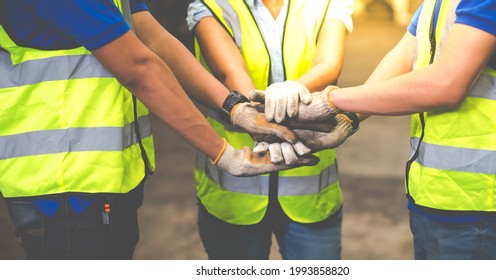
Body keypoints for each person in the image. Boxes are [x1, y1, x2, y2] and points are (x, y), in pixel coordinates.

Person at [0, 0, 318, 259]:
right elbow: (141, 68)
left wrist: (236, 108)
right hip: (63, 189)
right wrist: (224, 153)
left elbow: (152, 37)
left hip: (97, 183)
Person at [255, 0, 496, 259]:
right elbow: (405, 56)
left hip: (485, 206)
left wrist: (331, 100)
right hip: (436, 197)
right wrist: (346, 117)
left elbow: (446, 84)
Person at [186, 0, 356, 259]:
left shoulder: (326, 4)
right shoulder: (214, 5)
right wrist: (258, 113)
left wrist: (292, 87)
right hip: (235, 196)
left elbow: (329, 65)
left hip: (309, 192)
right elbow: (230, 74)